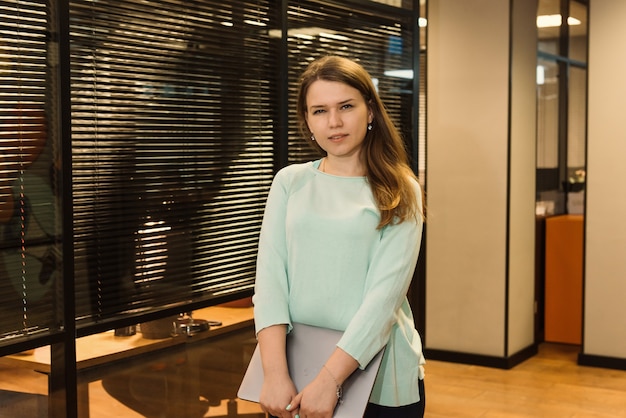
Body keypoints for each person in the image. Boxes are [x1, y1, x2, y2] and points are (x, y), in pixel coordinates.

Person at [252, 55, 425, 418]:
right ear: (307, 121)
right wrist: (274, 373)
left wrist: (329, 379)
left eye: (346, 106)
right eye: (319, 110)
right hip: (294, 368)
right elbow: (270, 281)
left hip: (378, 378)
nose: (334, 122)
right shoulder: (290, 181)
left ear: (371, 111)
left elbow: (383, 300)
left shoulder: (400, 189)